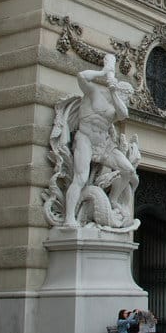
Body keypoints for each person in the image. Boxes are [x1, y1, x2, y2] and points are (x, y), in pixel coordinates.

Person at [62, 53, 139, 227]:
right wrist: (104, 72)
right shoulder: (95, 92)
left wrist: (114, 93)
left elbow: (123, 114)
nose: (126, 100)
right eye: (126, 95)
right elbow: (81, 76)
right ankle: (69, 218)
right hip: (85, 139)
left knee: (128, 170)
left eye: (127, 98)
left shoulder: (116, 104)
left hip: (104, 143)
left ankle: (112, 200)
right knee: (80, 178)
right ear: (121, 90)